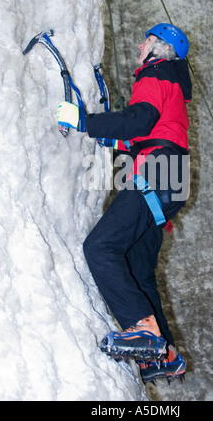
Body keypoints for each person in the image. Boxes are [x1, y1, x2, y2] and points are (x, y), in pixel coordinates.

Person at [56, 23, 192, 383]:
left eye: (145, 40)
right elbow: (150, 132)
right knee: (137, 270)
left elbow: (139, 119)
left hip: (158, 174)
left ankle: (143, 332)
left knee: (100, 247)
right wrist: (112, 141)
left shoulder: (154, 73)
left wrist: (86, 122)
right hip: (171, 178)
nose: (138, 44)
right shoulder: (173, 83)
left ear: (158, 49)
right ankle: (163, 354)